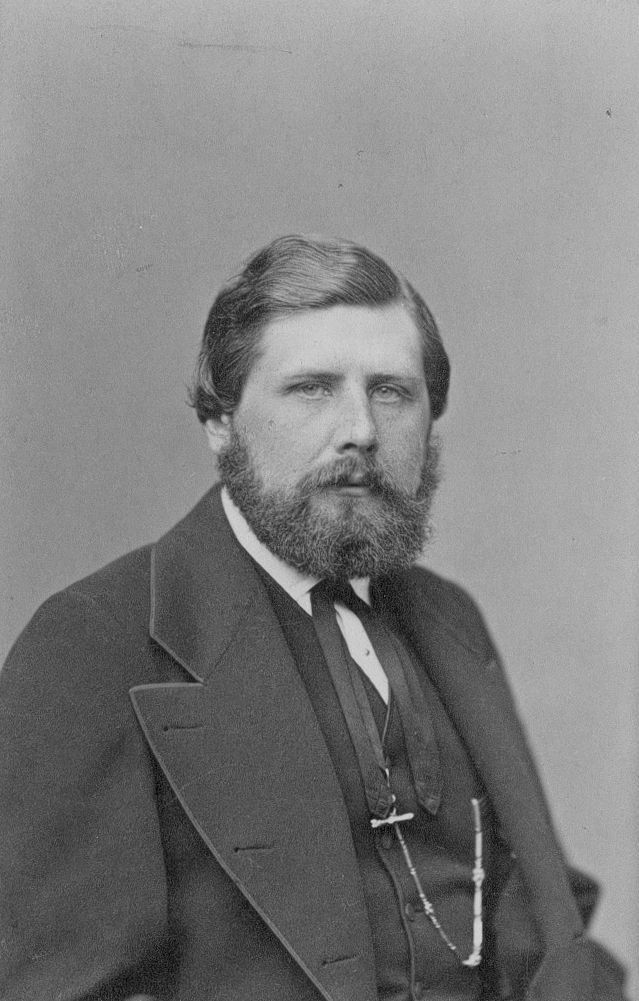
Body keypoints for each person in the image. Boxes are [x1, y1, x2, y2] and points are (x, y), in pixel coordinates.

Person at [0, 235, 628, 1001]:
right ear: (220, 422)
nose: (360, 428)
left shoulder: (447, 618)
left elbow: (537, 918)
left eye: (391, 391)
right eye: (311, 389)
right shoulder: (95, 644)